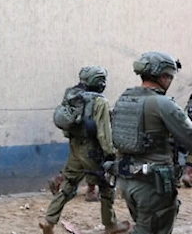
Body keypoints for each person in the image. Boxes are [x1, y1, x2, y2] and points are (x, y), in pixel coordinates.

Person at [39, 66, 130, 234]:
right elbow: (104, 132)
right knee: (106, 187)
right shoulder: (99, 101)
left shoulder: (73, 96)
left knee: (69, 184)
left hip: (75, 146)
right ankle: (110, 224)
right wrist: (110, 153)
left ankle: (49, 220)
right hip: (93, 150)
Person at [112, 52, 192, 234]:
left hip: (127, 181)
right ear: (163, 77)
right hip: (153, 186)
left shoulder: (125, 99)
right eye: (170, 77)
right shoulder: (162, 104)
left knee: (144, 226)